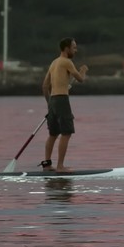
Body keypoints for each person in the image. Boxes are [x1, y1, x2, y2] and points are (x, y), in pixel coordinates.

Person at [40, 38, 88, 172]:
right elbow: (80, 79)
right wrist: (83, 70)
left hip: (53, 100)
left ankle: (47, 165)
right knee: (66, 133)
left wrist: (49, 104)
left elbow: (45, 87)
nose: (75, 50)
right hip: (61, 99)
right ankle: (60, 166)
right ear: (66, 48)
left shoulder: (54, 63)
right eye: (74, 47)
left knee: (53, 134)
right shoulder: (67, 62)